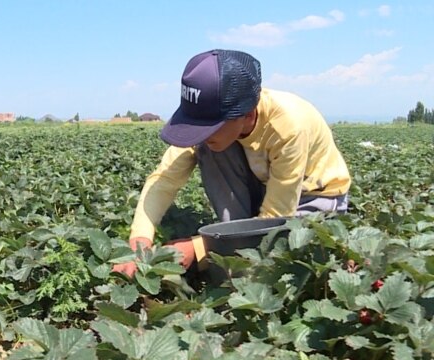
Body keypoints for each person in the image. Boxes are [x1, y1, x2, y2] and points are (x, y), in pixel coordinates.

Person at [113, 49, 351, 277]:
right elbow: (164, 179)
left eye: (209, 127)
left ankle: (235, 253)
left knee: (283, 247)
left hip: (312, 198)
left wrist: (199, 248)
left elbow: (278, 217)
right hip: (264, 185)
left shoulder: (289, 126)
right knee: (211, 148)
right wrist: (140, 239)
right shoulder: (216, 127)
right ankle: (234, 244)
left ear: (247, 114)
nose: (202, 135)